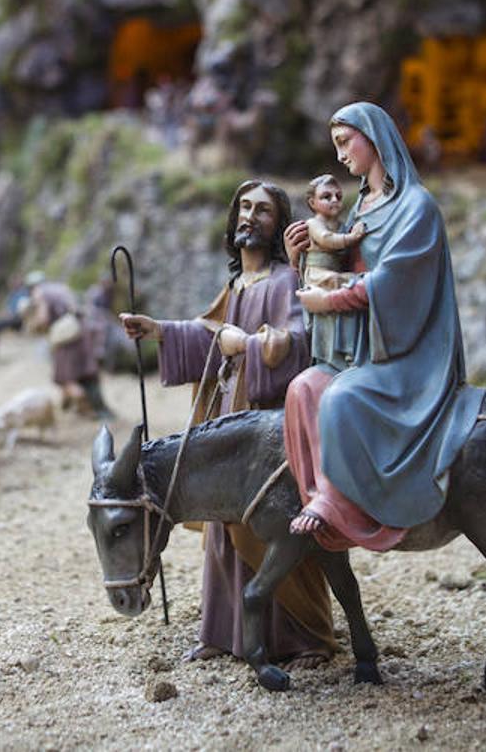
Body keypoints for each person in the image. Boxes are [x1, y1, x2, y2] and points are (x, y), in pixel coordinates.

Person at [119, 180, 334, 670]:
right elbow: (208, 332)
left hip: (265, 428)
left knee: (271, 525)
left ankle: (304, 637)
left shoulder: (284, 281)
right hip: (227, 416)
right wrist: (159, 331)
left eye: (262, 210)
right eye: (244, 206)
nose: (249, 216)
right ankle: (222, 630)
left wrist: (255, 345)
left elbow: (299, 342)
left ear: (277, 224)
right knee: (221, 526)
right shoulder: (237, 285)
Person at [283, 102, 486, 552]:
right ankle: (327, 498)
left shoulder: (416, 207)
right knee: (302, 389)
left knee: (341, 397)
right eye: (335, 146)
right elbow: (338, 265)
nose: (340, 157)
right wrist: (300, 261)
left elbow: (394, 284)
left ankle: (340, 502)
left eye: (344, 142)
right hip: (362, 349)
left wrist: (333, 296)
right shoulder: (361, 209)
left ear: (374, 138)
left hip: (409, 355)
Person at [25, 271, 112, 417]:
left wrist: (33, 325)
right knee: (84, 372)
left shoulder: (39, 293)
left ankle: (86, 407)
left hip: (65, 336)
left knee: (64, 378)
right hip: (81, 330)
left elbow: (43, 318)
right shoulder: (61, 288)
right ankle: (87, 407)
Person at [300, 174, 366, 291]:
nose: (335, 200)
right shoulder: (313, 223)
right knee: (335, 279)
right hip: (317, 273)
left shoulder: (341, 226)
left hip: (336, 270)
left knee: (354, 279)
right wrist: (352, 237)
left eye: (338, 196)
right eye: (327, 197)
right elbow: (326, 239)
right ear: (312, 203)